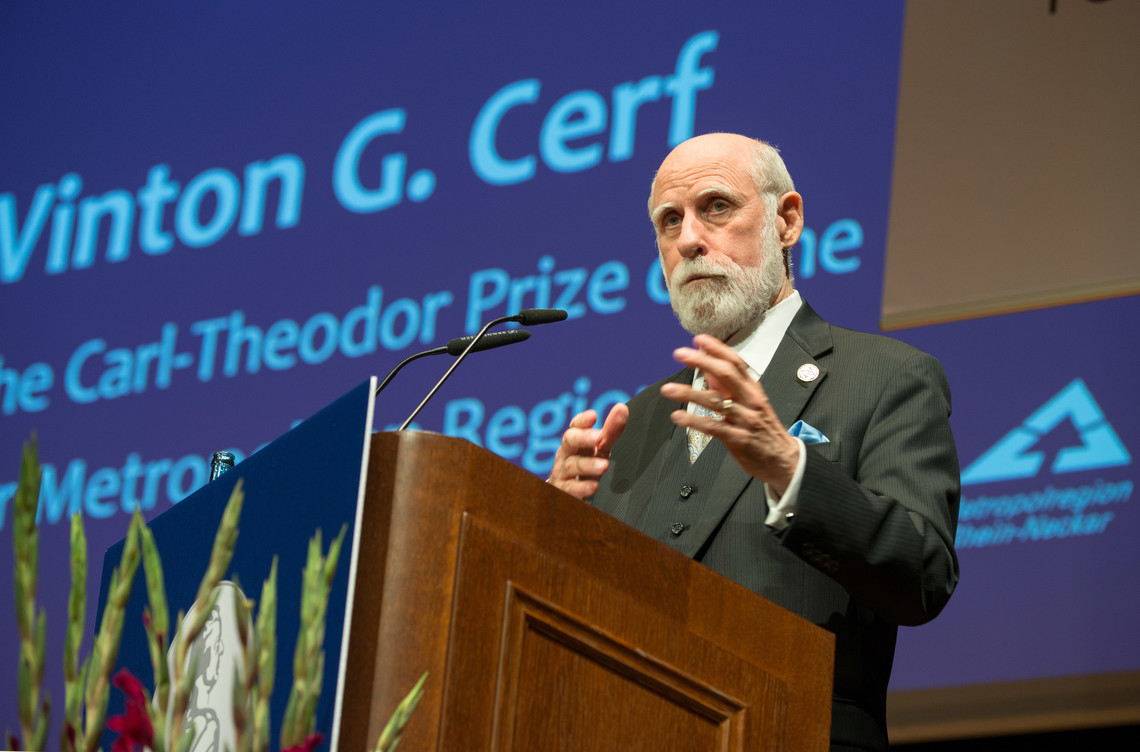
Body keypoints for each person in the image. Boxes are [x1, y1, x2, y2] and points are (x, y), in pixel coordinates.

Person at [548, 133, 960, 751]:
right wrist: (551, 521)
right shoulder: (635, 418)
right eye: (669, 221)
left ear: (787, 221)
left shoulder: (888, 376)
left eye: (715, 207)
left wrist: (791, 469)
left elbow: (923, 573)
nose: (688, 239)